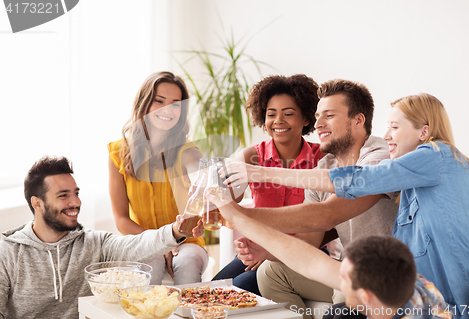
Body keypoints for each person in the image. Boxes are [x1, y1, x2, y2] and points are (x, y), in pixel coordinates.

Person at [228, 93, 469, 319]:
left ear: (424, 132)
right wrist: (252, 229)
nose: (386, 134)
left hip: (453, 301)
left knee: (343, 310)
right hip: (416, 293)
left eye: (394, 126)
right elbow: (312, 254)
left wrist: (256, 175)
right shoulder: (410, 193)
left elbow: (354, 185)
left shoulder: (438, 156)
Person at [224, 79, 399, 319]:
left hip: (383, 275)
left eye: (328, 115)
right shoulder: (324, 165)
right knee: (268, 272)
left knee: (340, 308)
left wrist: (238, 215)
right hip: (347, 269)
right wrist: (267, 251)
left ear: (358, 120)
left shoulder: (379, 156)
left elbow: (325, 216)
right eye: (318, 116)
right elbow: (307, 241)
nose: (318, 124)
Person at [0, 156, 202, 319]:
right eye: (63, 195)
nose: (75, 202)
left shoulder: (94, 242)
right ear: (37, 203)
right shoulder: (8, 252)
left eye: (76, 193)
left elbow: (135, 245)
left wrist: (176, 230)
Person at [206, 191, 452, 319]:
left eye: (342, 278)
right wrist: (238, 217)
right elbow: (311, 262)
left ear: (365, 296)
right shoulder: (417, 286)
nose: (335, 276)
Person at [212, 74, 324, 296]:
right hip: (258, 249)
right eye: (271, 114)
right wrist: (214, 191)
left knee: (240, 286)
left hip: (303, 253)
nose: (278, 121)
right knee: (212, 289)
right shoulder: (251, 156)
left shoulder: (321, 158)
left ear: (306, 118)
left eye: (288, 114)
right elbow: (228, 199)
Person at [108, 71, 208, 285]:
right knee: (150, 262)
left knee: (188, 261)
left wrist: (204, 179)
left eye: (175, 104)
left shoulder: (188, 150)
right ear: (144, 104)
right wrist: (159, 243)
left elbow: (200, 176)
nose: (167, 110)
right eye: (159, 101)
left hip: (185, 241)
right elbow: (122, 220)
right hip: (142, 239)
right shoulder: (118, 153)